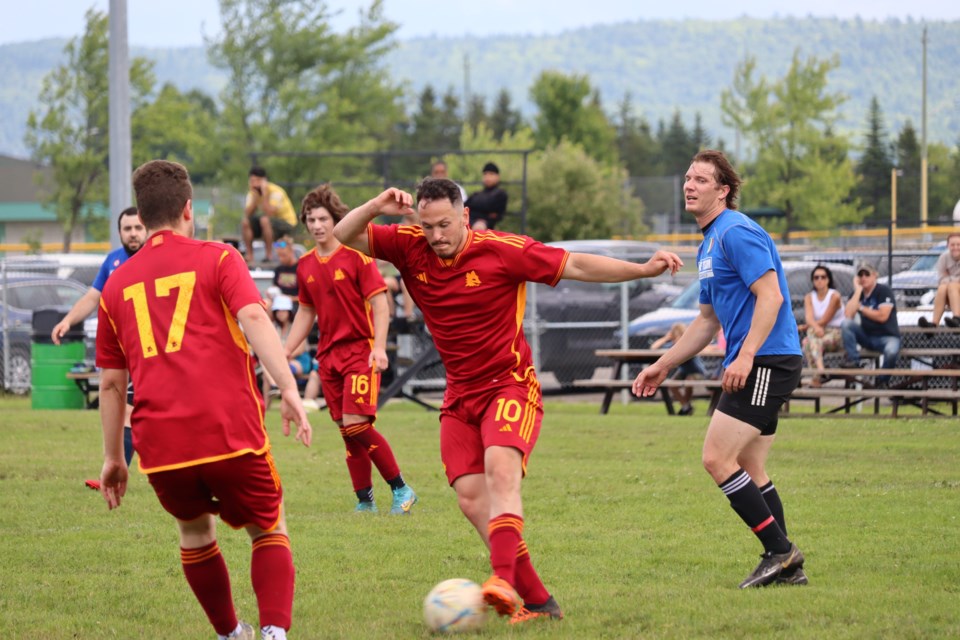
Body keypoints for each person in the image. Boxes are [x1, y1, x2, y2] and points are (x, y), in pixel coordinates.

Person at [333, 178, 682, 623]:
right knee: (471, 499)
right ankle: (539, 602)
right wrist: (378, 204)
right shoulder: (409, 245)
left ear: (465, 216)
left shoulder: (503, 250)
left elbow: (576, 265)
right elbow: (344, 235)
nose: (436, 235)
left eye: (444, 224)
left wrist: (642, 269)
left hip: (509, 384)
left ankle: (501, 578)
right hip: (459, 395)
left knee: (501, 473)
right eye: (427, 226)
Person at [95, 159, 312, 640]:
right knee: (268, 525)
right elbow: (255, 320)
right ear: (188, 209)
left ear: (143, 217)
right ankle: (274, 634)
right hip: (228, 430)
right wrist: (291, 389)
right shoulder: (218, 257)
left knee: (194, 534)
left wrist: (114, 458)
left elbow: (111, 385)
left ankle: (231, 633)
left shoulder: (114, 286)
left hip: (161, 445)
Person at [633, 150, 807, 589]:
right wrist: (663, 365)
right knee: (749, 464)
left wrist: (746, 355)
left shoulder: (736, 231)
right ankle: (789, 567)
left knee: (716, 458)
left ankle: (781, 553)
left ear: (723, 190)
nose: (689, 185)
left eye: (701, 180)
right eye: (687, 178)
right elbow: (707, 321)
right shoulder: (709, 242)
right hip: (759, 360)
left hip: (766, 360)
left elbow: (771, 297)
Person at [284, 184, 417, 515]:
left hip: (360, 351)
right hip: (328, 357)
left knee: (357, 424)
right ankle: (364, 501)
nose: (316, 226)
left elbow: (380, 302)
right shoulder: (305, 265)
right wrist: (285, 350)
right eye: (311, 220)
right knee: (347, 432)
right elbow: (305, 311)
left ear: (335, 220)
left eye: (322, 219)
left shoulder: (357, 255)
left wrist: (380, 347)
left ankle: (402, 490)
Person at [52, 206, 146, 481]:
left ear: (147, 229)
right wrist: (68, 320)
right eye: (127, 229)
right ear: (119, 233)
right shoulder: (113, 261)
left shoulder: (157, 259)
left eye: (138, 228)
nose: (133, 234)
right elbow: (93, 297)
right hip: (126, 349)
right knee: (127, 411)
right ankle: (118, 471)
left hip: (156, 349)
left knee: (159, 412)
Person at [841, 260, 901, 386]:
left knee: (891, 351)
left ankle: (882, 381)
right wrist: (857, 291)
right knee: (846, 324)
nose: (863, 278)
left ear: (875, 275)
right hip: (867, 337)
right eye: (860, 275)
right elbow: (848, 315)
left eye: (867, 274)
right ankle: (854, 361)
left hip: (887, 337)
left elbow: (882, 316)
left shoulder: (884, 291)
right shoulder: (857, 294)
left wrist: (862, 308)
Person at [242, 166, 297, 265]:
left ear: (264, 181)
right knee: (246, 222)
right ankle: (249, 255)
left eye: (258, 181)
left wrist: (265, 194)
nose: (255, 184)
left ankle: (269, 255)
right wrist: (255, 198)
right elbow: (248, 214)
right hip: (268, 225)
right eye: (252, 181)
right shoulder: (252, 193)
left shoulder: (276, 191)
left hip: (286, 223)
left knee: (264, 220)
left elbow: (270, 213)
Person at [649, 322, 707, 415]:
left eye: (680, 337)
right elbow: (653, 348)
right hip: (683, 371)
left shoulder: (689, 344)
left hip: (696, 371)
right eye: (675, 338)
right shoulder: (673, 346)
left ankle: (686, 408)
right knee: (672, 384)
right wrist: (666, 338)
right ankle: (686, 405)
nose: (677, 341)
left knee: (689, 381)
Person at [801, 265, 844, 387]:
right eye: (816, 277)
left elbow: (826, 319)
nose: (819, 280)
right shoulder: (809, 297)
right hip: (817, 335)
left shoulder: (835, 296)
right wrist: (814, 327)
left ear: (828, 279)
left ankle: (817, 378)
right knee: (810, 341)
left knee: (808, 341)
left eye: (823, 277)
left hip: (835, 333)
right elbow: (809, 317)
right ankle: (821, 371)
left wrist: (810, 326)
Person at [918, 233, 960, 328]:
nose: (956, 247)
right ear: (948, 245)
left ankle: (957, 319)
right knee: (942, 288)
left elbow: (948, 279)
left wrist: (949, 278)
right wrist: (953, 280)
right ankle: (934, 324)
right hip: (951, 295)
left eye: (958, 245)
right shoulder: (943, 257)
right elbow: (942, 279)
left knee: (951, 286)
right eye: (953, 245)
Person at [465, 162, 507, 231]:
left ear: (497, 177)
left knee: (479, 227)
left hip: (484, 224)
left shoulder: (500, 194)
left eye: (491, 174)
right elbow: (465, 206)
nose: (487, 177)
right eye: (485, 174)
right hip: (468, 220)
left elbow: (494, 214)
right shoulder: (476, 194)